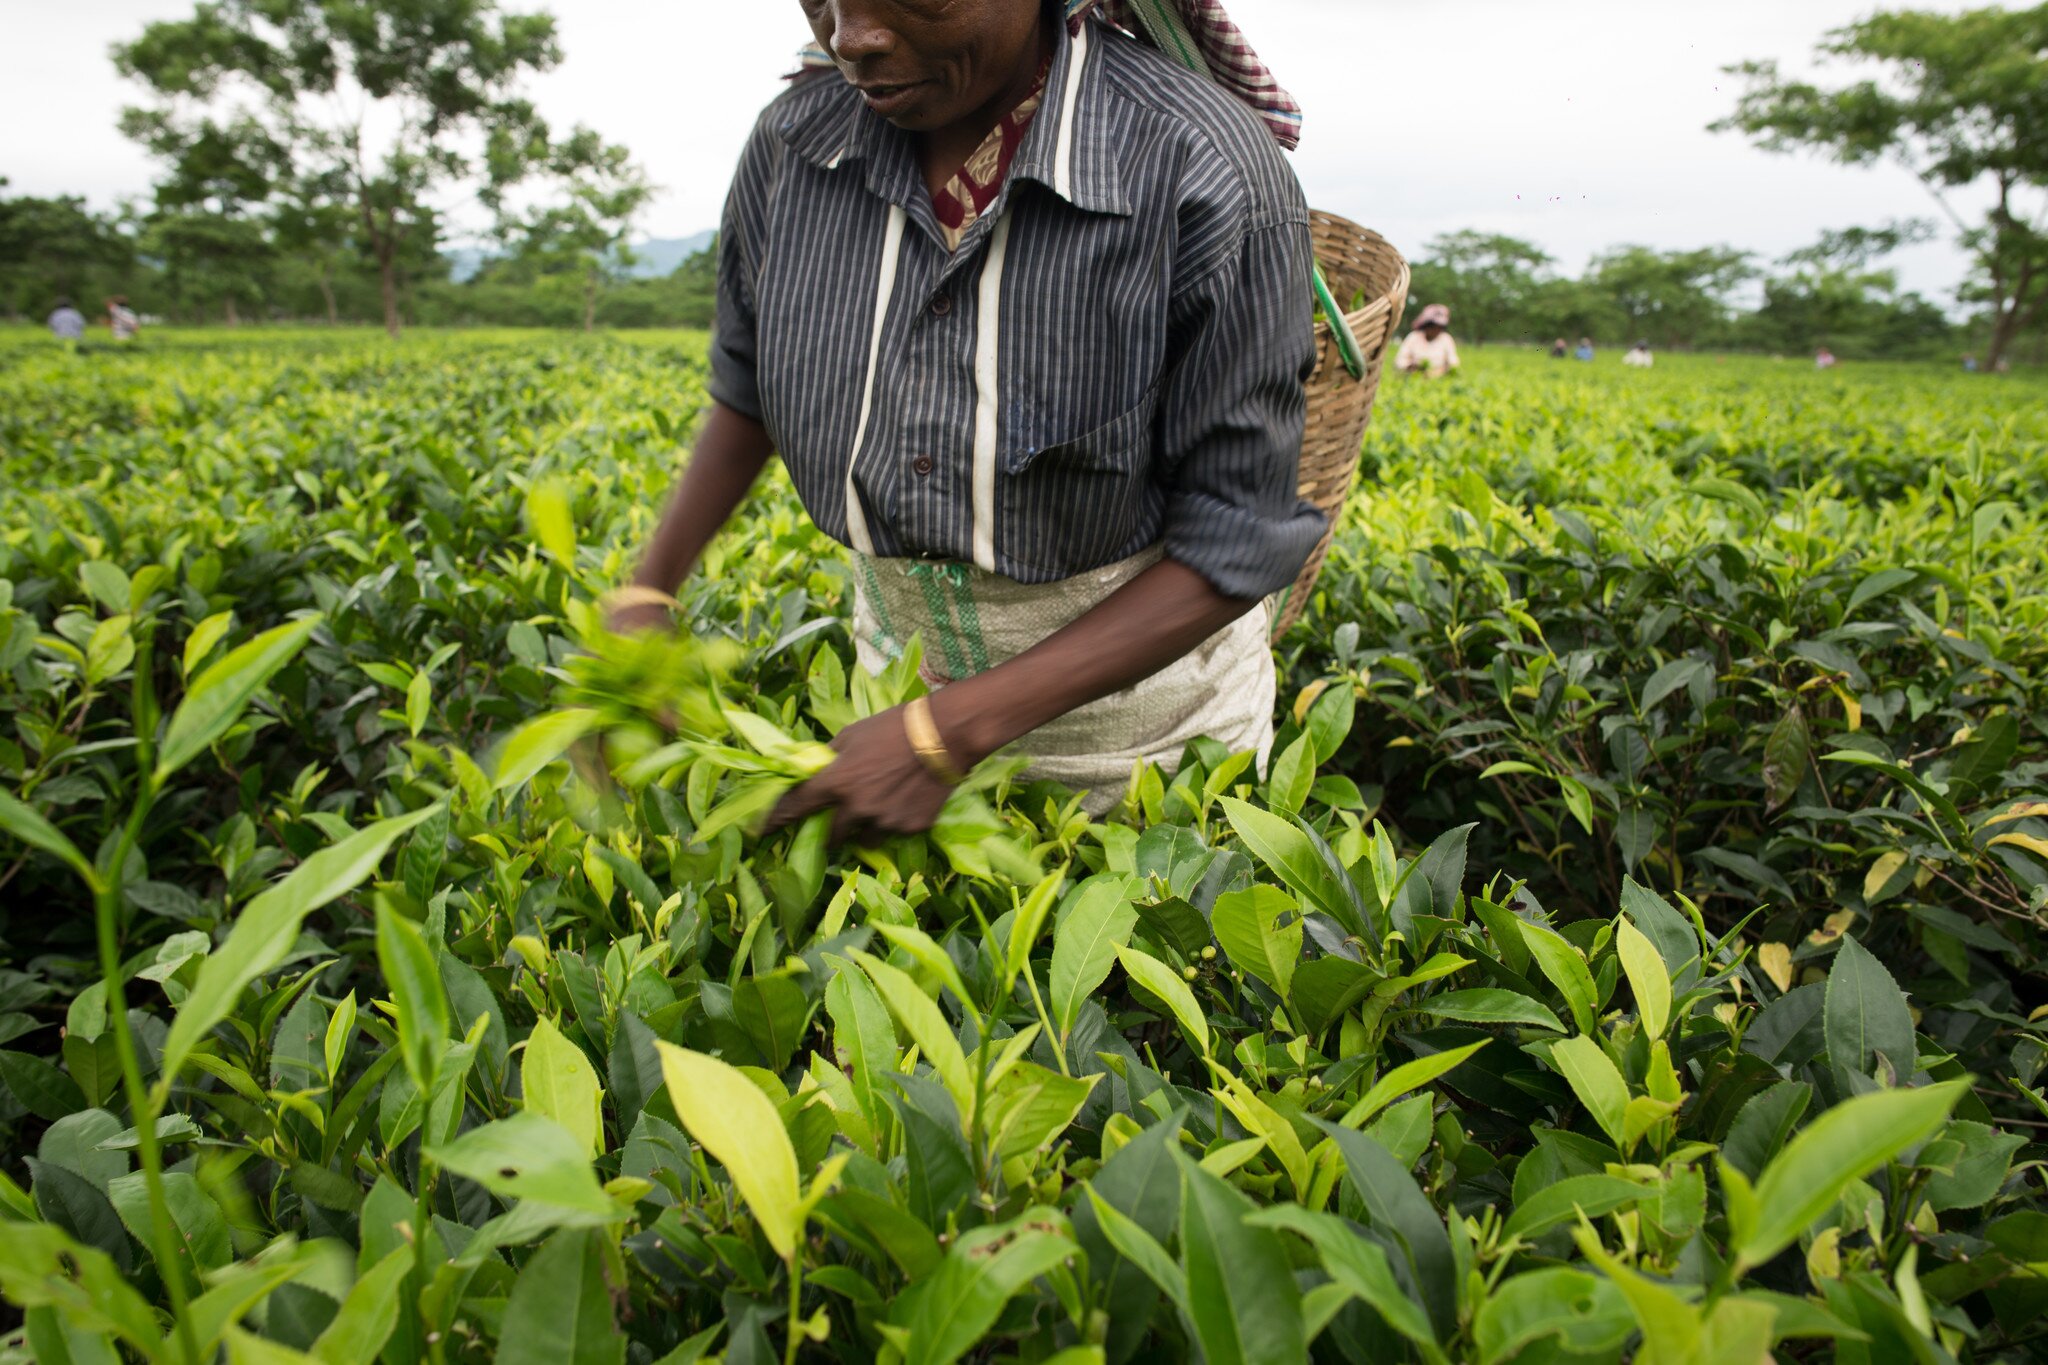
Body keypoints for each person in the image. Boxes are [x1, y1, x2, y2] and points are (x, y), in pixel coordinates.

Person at [608, 0, 1319, 838]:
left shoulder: (1200, 166)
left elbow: (1236, 536)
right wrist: (648, 588)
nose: (852, 38)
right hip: (892, 707)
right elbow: (749, 383)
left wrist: (944, 734)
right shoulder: (793, 146)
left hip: (1144, 749)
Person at [1394, 303, 1460, 378]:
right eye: (1433, 326)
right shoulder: (1413, 337)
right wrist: (1411, 366)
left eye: (1439, 327)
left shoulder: (1446, 339)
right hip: (1413, 377)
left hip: (1438, 379)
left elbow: (1454, 363)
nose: (1436, 330)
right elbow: (1400, 361)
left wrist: (1442, 371)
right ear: (1426, 325)